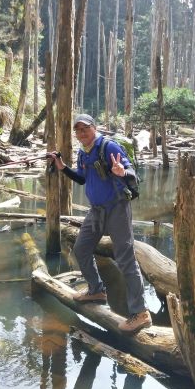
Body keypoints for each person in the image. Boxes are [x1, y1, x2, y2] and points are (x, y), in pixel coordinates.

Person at [46, 113, 152, 334]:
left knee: (125, 259)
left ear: (94, 128)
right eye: (78, 130)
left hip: (117, 208)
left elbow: (130, 170)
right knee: (81, 248)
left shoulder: (109, 147)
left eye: (85, 128)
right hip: (96, 211)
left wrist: (122, 172)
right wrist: (62, 166)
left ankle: (140, 312)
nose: (81, 133)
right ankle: (96, 290)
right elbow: (83, 178)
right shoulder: (83, 152)